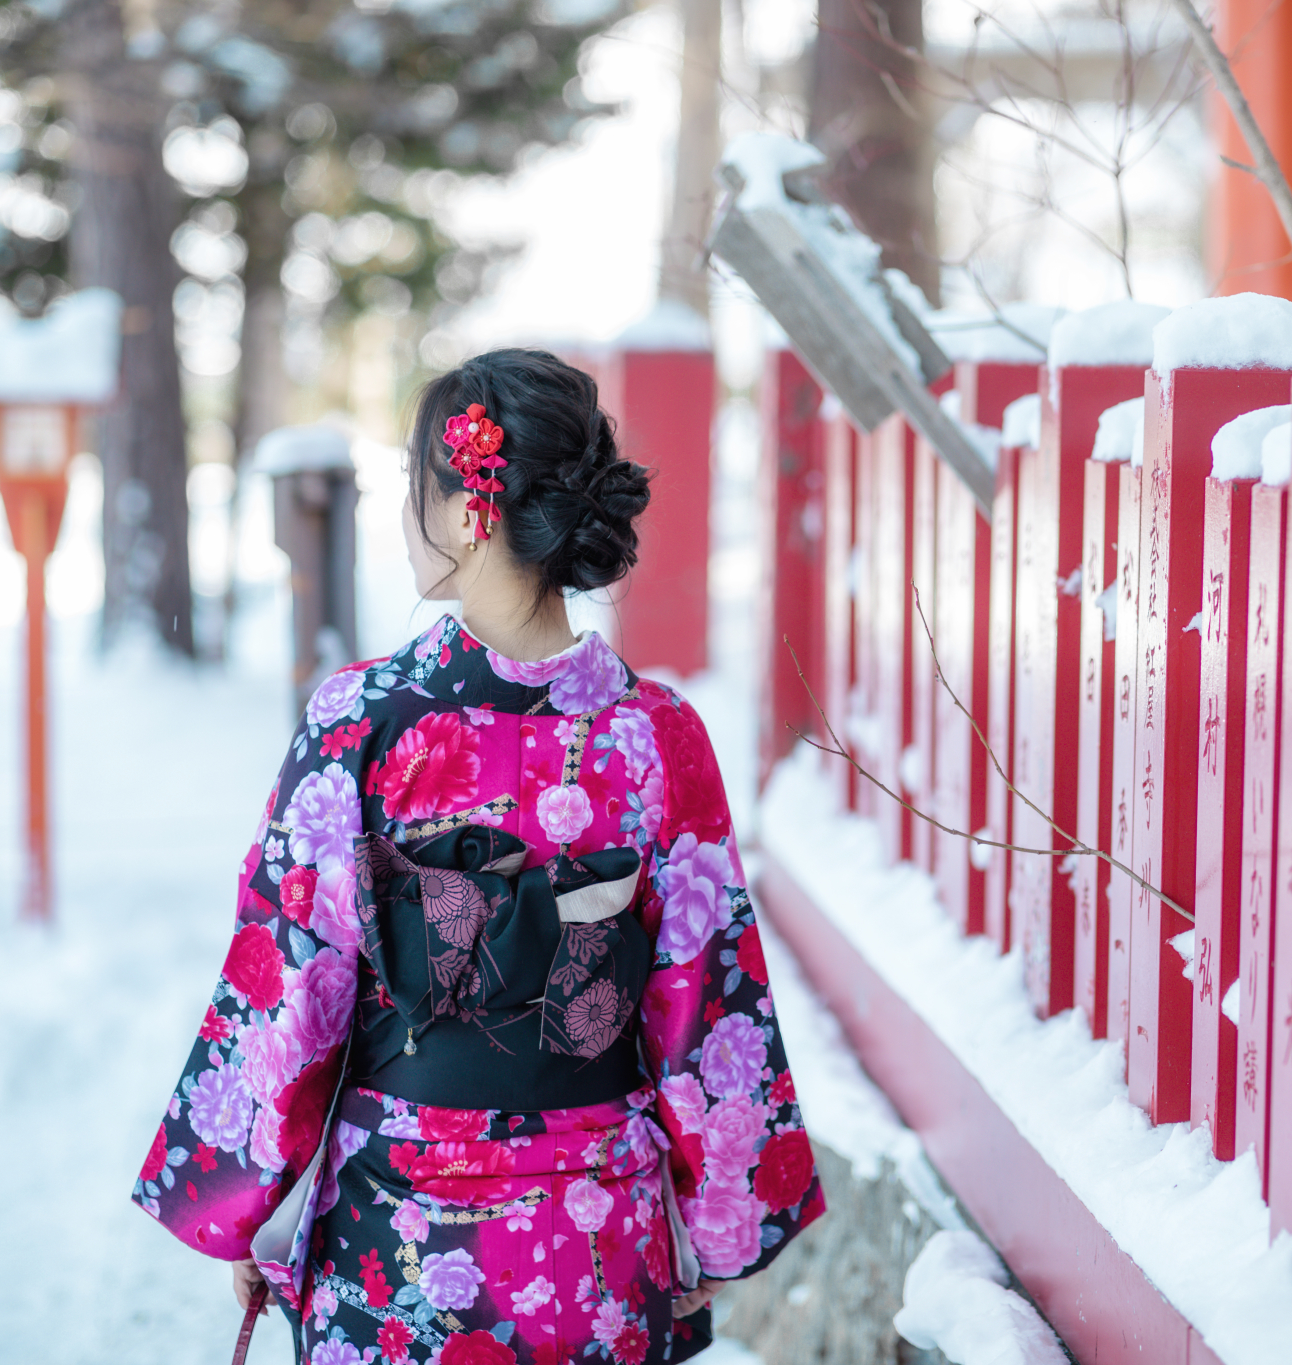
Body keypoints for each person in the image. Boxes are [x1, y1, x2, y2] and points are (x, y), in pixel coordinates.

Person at [133, 349, 825, 1364]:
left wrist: (245, 1199)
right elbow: (708, 1003)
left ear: (468, 512)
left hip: (399, 1230)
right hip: (597, 1234)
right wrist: (718, 1227)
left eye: (418, 489)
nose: (408, 515)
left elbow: (292, 980)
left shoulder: (363, 721)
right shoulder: (655, 735)